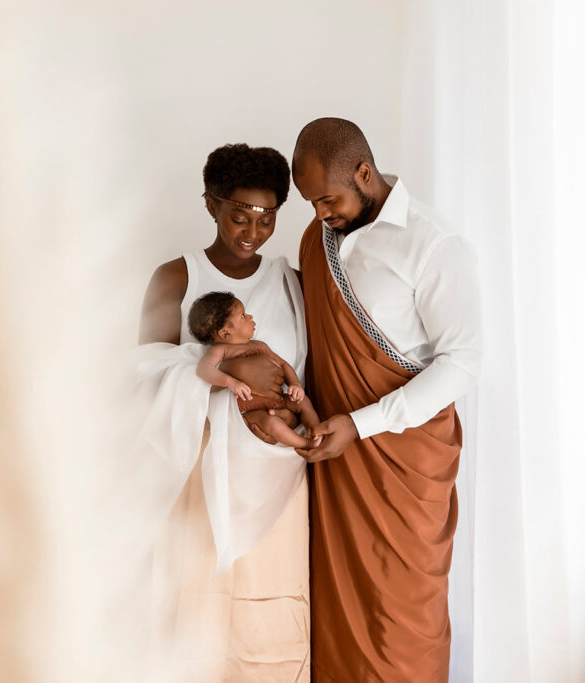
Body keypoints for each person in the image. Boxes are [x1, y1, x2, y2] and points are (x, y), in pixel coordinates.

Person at [290, 117, 482, 681]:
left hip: (407, 464)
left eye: (328, 199)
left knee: (403, 626)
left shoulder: (435, 243)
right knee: (337, 617)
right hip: (336, 462)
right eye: (311, 203)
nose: (320, 214)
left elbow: (464, 362)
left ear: (365, 173)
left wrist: (363, 422)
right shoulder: (318, 238)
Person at [136, 143, 311, 681]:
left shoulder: (291, 281)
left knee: (269, 614)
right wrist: (223, 375)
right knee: (194, 610)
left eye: (268, 217)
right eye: (239, 214)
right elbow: (141, 371)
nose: (252, 230)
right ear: (211, 205)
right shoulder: (175, 277)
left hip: (277, 478)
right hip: (198, 469)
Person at [188, 291, 322, 450]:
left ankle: (316, 431)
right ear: (225, 332)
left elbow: (284, 365)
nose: (250, 317)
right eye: (243, 315)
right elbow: (203, 370)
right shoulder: (221, 350)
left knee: (302, 401)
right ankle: (305, 444)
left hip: (278, 400)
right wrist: (231, 382)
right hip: (252, 411)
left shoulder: (259, 345)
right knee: (270, 423)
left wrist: (295, 385)